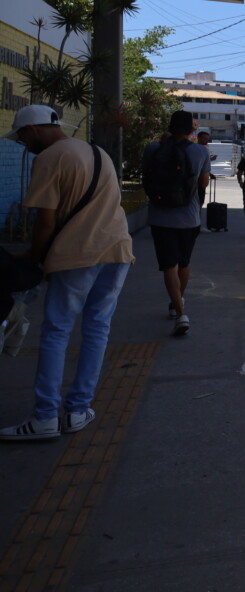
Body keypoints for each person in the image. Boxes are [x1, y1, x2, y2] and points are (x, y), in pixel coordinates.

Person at [0, 105, 133, 440]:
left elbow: (45, 222)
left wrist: (34, 257)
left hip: (78, 254)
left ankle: (45, 417)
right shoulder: (96, 151)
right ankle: (77, 411)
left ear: (32, 130)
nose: (22, 145)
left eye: (21, 138)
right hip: (117, 249)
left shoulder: (50, 158)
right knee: (97, 330)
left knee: (57, 331)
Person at [144, 110, 210, 336]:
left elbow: (146, 177)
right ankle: (177, 305)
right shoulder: (201, 151)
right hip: (189, 217)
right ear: (192, 130)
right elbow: (203, 183)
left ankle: (180, 311)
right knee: (184, 263)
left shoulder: (153, 148)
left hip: (159, 216)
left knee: (168, 265)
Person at [195, 128, 212, 211]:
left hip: (199, 181)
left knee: (199, 202)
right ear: (198, 138)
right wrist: (204, 184)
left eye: (207, 139)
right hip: (198, 181)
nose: (206, 141)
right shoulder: (204, 150)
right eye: (204, 138)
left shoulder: (203, 150)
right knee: (198, 203)